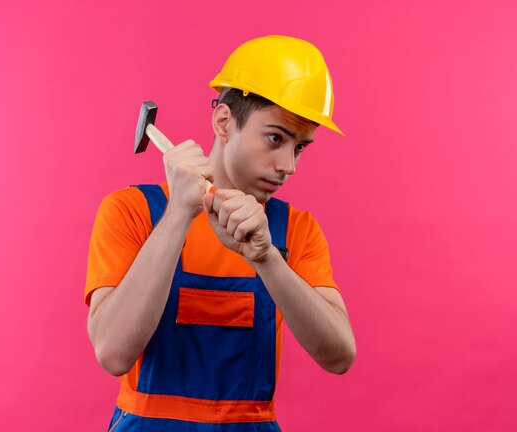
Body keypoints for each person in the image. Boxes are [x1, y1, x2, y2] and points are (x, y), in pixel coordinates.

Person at [85, 35, 356, 431]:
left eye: (299, 148)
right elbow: (112, 354)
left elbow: (339, 356)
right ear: (224, 121)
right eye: (275, 138)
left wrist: (267, 259)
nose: (288, 166)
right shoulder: (133, 212)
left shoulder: (294, 231)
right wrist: (179, 212)